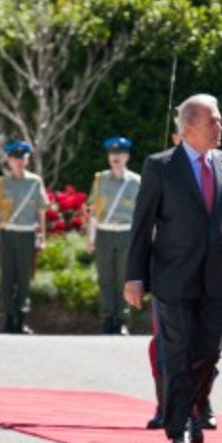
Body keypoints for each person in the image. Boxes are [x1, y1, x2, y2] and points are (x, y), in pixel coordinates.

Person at [125, 94, 222, 443]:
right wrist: (134, 275)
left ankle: (195, 406)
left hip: (216, 278)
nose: (220, 126)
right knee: (179, 352)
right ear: (188, 128)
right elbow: (142, 225)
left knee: (209, 353)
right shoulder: (161, 166)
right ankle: (179, 424)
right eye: (212, 121)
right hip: (173, 277)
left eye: (220, 120)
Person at [0, 140, 49, 334]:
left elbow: (41, 212)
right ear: (8, 160)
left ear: (28, 160)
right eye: (15, 158)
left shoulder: (35, 182)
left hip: (27, 233)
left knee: (24, 277)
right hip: (7, 233)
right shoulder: (1, 183)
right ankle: (8, 318)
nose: (19, 161)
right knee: (7, 277)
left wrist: (42, 237)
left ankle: (21, 319)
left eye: (23, 158)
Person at [86, 136, 140, 335]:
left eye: (119, 153)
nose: (115, 157)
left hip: (126, 233)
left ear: (127, 156)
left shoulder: (136, 182)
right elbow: (92, 210)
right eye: (112, 154)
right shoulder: (100, 180)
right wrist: (90, 238)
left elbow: (143, 214)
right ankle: (107, 319)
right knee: (105, 278)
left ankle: (122, 320)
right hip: (104, 232)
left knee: (124, 279)